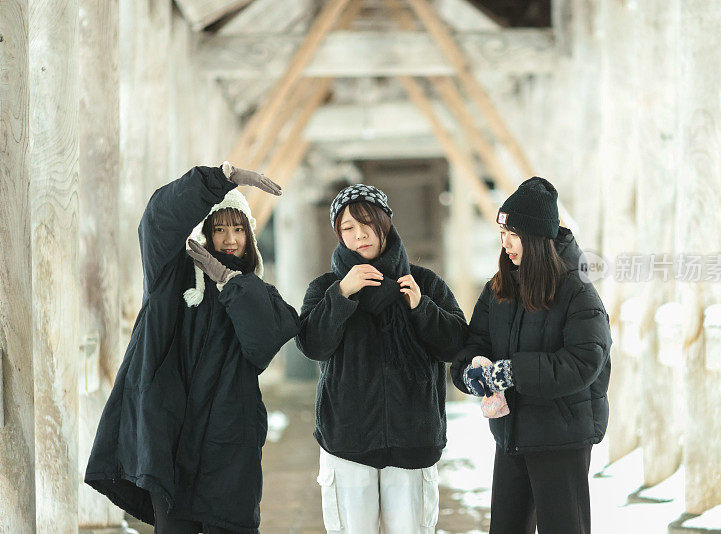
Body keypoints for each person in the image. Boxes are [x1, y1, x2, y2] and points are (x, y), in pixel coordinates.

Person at [85, 162, 300, 533]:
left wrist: (231, 283)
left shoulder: (260, 293)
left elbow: (262, 344)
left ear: (250, 236)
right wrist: (221, 178)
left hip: (229, 444)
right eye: (219, 229)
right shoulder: (172, 277)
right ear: (206, 234)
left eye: (238, 229)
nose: (230, 239)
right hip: (171, 438)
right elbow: (157, 220)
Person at [295, 184, 469, 533]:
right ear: (338, 234)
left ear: (384, 223)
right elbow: (312, 344)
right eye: (347, 227)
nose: (359, 234)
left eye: (366, 223)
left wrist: (421, 307)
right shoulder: (326, 287)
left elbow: (455, 345)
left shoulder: (424, 283)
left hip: (413, 441)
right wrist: (342, 294)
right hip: (347, 443)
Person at [450, 177, 612, 534]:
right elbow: (473, 344)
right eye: (502, 232)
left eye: (514, 233)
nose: (505, 243)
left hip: (561, 435)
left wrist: (512, 372)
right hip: (512, 434)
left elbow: (584, 361)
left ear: (538, 238)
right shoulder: (500, 288)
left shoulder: (576, 290)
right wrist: (473, 368)